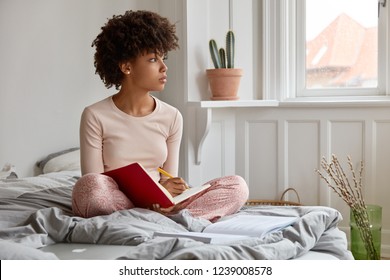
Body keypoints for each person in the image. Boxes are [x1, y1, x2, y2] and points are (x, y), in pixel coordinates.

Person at [72, 10, 249, 222]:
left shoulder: (172, 116)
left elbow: (169, 178)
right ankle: (163, 218)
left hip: (159, 202)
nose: (164, 67)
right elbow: (94, 180)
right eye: (153, 59)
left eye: (163, 58)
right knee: (89, 187)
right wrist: (145, 198)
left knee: (237, 186)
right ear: (126, 67)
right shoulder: (95, 115)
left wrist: (170, 188)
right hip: (115, 198)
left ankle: (160, 217)